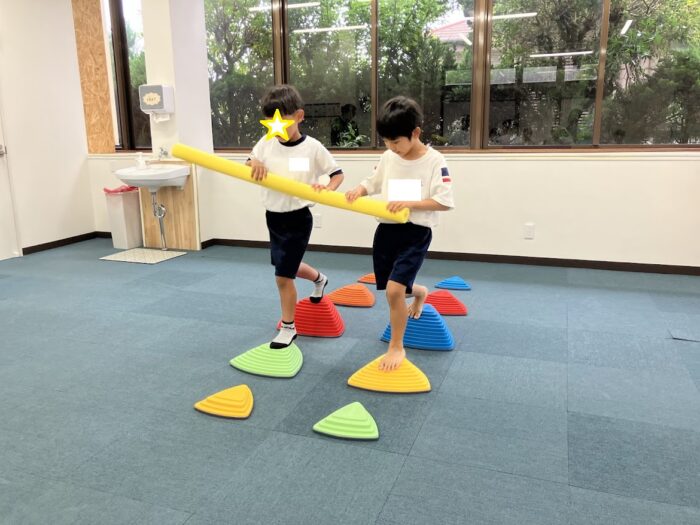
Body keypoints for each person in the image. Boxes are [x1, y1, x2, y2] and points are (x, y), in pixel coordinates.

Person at [345, 96, 454, 371]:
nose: (391, 148)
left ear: (415, 133)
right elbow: (373, 181)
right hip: (386, 231)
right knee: (395, 288)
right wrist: (360, 189)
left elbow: (444, 201)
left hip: (415, 233)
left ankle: (396, 346)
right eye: (386, 142)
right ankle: (419, 292)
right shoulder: (388, 157)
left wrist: (410, 203)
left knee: (394, 291)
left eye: (396, 142)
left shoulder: (434, 161)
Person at [247, 85, 345, 349]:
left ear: (299, 116)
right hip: (273, 217)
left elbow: (337, 174)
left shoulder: (312, 148)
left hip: (298, 218)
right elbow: (250, 161)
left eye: (282, 120)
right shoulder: (266, 143)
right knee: (287, 265)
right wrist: (254, 162)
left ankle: (288, 327)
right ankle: (319, 279)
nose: (276, 127)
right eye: (271, 122)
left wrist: (329, 188)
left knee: (283, 275)